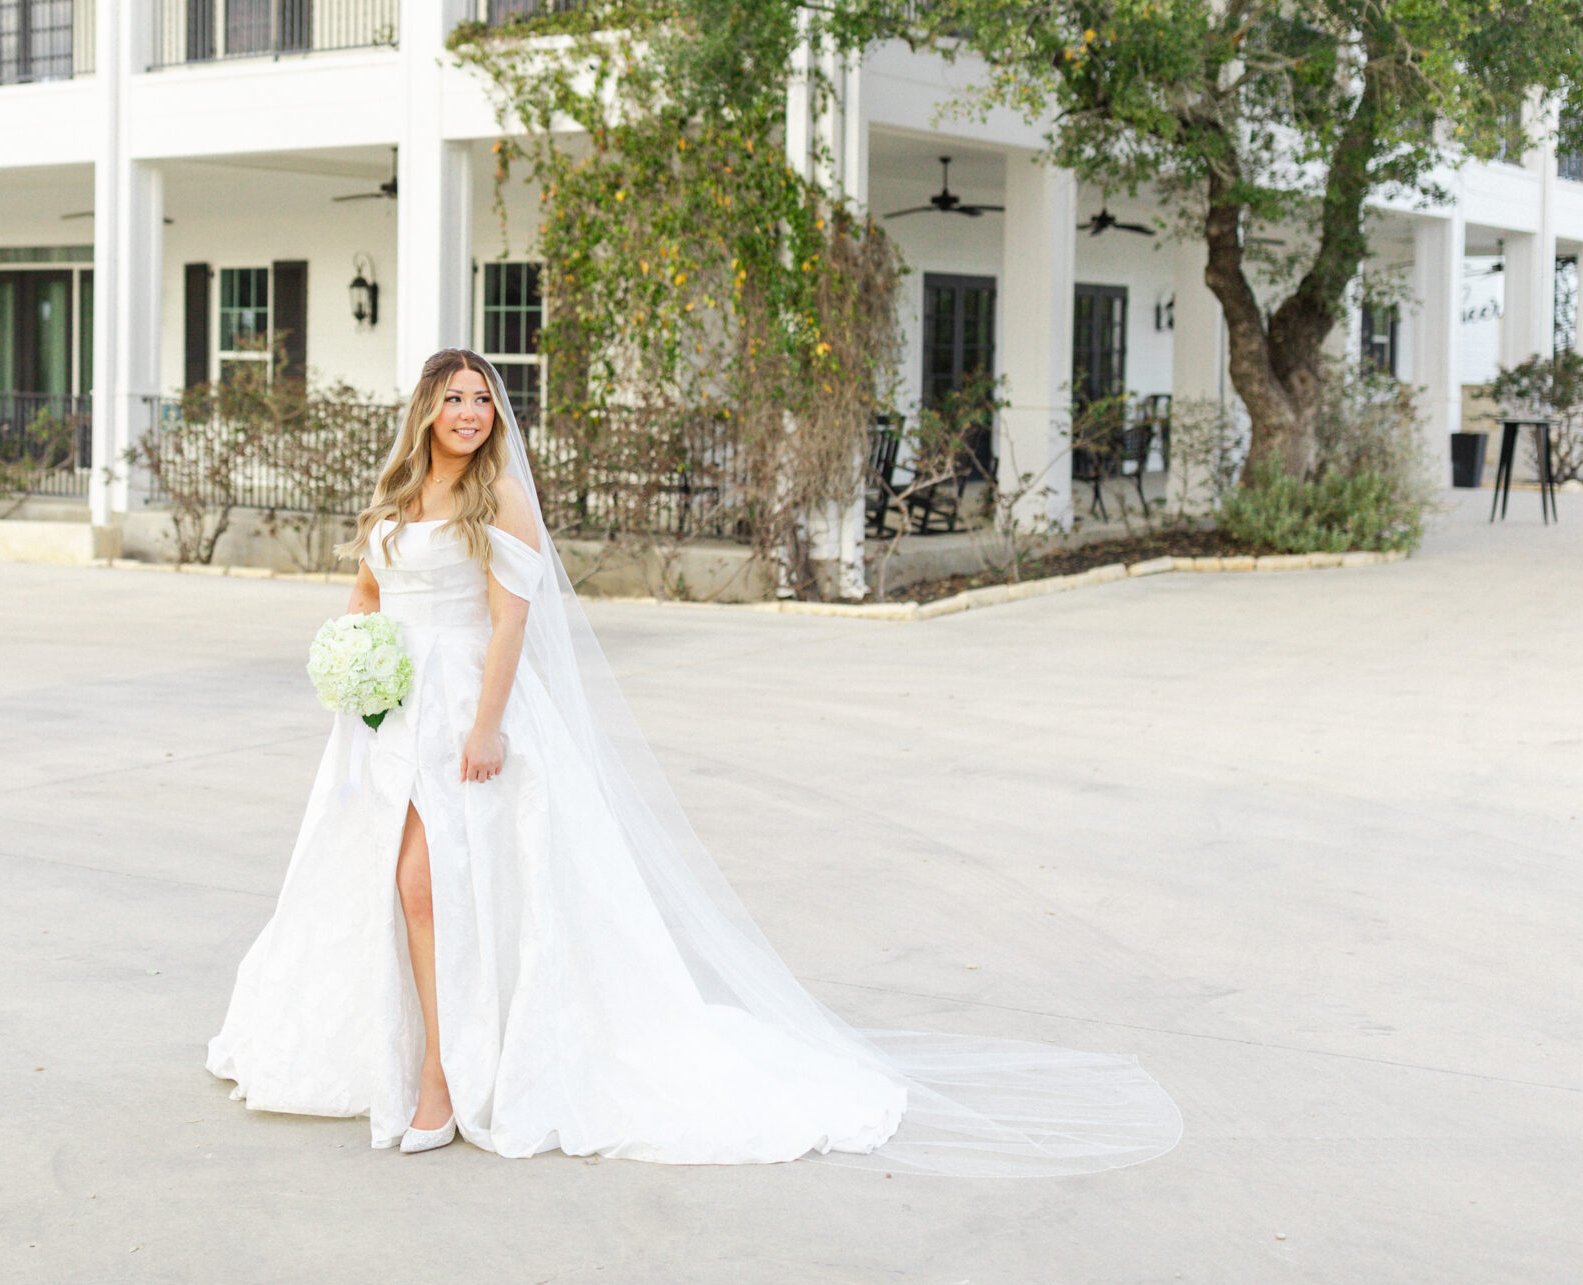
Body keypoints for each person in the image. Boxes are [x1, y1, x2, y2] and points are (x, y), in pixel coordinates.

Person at [206, 349, 1182, 1170]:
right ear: (423, 410)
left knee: (443, 882)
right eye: (452, 397)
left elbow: (512, 622)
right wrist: (349, 671)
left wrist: (488, 727)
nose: (468, 412)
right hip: (387, 715)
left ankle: (444, 1081)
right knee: (396, 883)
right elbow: (365, 600)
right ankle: (419, 1058)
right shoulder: (394, 494)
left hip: (466, 703)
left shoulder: (500, 496)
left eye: (482, 399)